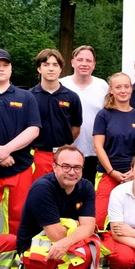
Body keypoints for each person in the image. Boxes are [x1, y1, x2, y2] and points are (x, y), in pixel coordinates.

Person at [16, 145, 105, 269]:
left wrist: (68, 241)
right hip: (35, 247)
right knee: (86, 250)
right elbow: (56, 234)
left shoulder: (85, 187)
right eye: (66, 166)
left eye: (77, 167)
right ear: (54, 166)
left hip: (66, 245)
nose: (72, 172)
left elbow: (88, 226)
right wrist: (73, 236)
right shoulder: (42, 188)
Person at [0, 49, 41, 238]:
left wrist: (6, 150)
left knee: (19, 216)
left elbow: (33, 129)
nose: (1, 69)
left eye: (5, 65)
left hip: (19, 167)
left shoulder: (26, 97)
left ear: (11, 69)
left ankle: (16, 259)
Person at [92, 72, 135, 229]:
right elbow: (98, 146)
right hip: (108, 174)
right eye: (118, 87)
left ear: (131, 89)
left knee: (133, 218)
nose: (123, 90)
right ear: (111, 90)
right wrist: (112, 172)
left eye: (126, 86)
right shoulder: (103, 115)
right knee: (99, 217)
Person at [29, 48, 82, 181]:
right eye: (46, 65)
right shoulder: (29, 97)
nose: (51, 69)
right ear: (39, 69)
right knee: (40, 194)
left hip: (64, 156)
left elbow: (76, 129)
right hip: (37, 155)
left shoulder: (72, 97)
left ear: (60, 69)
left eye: (55, 65)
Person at [59, 45, 109, 182]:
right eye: (80, 59)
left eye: (88, 60)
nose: (84, 64)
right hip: (66, 151)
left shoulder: (103, 86)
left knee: (89, 193)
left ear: (94, 64)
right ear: (72, 62)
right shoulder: (61, 85)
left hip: (95, 152)